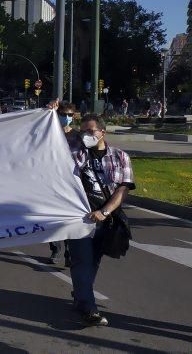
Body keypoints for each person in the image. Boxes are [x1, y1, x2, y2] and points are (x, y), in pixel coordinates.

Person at [68, 113, 135, 327]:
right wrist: (53, 113)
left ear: (102, 132)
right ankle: (89, 308)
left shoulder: (120, 157)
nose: (86, 135)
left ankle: (81, 295)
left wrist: (104, 212)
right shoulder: (74, 155)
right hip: (78, 219)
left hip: (106, 219)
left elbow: (122, 189)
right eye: (83, 131)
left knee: (93, 261)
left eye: (90, 131)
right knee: (82, 261)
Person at [48, 101, 78, 266]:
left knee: (70, 218)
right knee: (53, 217)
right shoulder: (49, 132)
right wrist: (47, 110)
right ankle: (56, 248)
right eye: (63, 114)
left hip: (72, 184)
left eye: (70, 115)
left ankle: (69, 251)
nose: (67, 118)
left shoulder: (78, 136)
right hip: (52, 182)